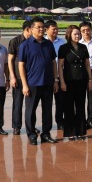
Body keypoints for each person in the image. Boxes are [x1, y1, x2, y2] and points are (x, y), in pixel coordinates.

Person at [17, 18, 60, 146]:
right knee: (31, 111)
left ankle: (46, 133)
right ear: (31, 29)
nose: (41, 29)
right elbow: (21, 65)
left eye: (43, 27)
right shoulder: (25, 45)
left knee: (47, 110)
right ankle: (31, 134)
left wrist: (55, 80)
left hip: (47, 82)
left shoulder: (48, 44)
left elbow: (53, 63)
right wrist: (24, 85)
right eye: (39, 27)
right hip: (32, 83)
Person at [57, 25, 92, 140]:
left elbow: (87, 64)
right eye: (75, 34)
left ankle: (81, 131)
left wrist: (90, 79)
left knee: (81, 106)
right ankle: (71, 132)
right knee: (69, 107)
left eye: (78, 34)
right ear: (69, 35)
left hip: (81, 80)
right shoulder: (64, 48)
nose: (77, 36)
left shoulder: (83, 47)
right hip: (68, 81)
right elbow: (60, 66)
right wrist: (61, 82)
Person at [6, 20, 32, 135]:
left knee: (30, 104)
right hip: (18, 77)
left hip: (31, 77)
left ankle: (30, 126)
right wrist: (12, 76)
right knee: (18, 102)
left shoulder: (34, 42)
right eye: (33, 28)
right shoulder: (15, 41)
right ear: (27, 29)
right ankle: (16, 126)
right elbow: (10, 60)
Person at [45, 20, 66, 131]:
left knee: (60, 101)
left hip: (60, 75)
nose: (56, 31)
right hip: (47, 77)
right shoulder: (43, 42)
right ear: (46, 29)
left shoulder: (62, 42)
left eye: (57, 29)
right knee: (47, 102)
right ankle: (47, 125)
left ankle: (60, 121)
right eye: (53, 29)